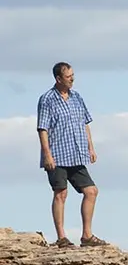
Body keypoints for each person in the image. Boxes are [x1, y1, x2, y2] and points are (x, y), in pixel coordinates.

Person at [36, 62, 107, 248]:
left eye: (73, 75)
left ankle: (87, 236)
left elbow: (85, 123)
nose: (72, 79)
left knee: (91, 191)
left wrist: (91, 148)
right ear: (59, 78)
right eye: (69, 76)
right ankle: (62, 238)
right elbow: (42, 128)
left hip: (76, 154)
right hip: (57, 154)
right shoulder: (47, 99)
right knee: (61, 193)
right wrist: (47, 154)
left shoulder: (77, 97)